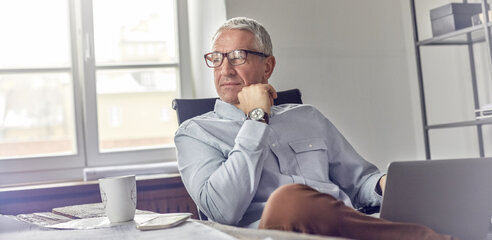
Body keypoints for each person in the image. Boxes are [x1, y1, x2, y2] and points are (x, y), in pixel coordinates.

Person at [174, 17, 456, 240]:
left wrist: (387, 185)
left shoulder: (307, 116)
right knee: (289, 199)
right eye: (216, 58)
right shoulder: (195, 133)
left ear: (268, 66)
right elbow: (222, 212)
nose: (225, 69)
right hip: (267, 235)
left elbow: (360, 182)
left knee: (433, 195)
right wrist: (256, 119)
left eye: (237, 56)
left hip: (341, 228)